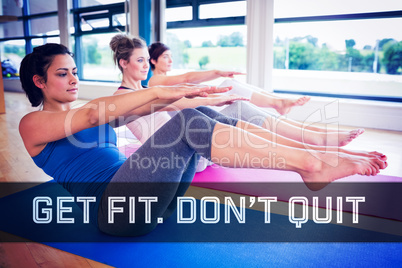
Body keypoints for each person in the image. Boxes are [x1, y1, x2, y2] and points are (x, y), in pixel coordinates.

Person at [19, 43, 386, 237]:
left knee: (199, 116)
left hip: (149, 200)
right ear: (39, 81)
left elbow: (159, 103)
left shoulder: (89, 108)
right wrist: (169, 91)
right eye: (63, 73)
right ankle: (312, 165)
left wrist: (206, 95)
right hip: (115, 212)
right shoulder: (32, 125)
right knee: (186, 124)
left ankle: (312, 154)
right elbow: (91, 114)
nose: (73, 79)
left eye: (76, 72)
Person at [113, 35, 368, 172]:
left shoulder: (147, 89)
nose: (146, 66)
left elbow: (179, 102)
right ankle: (315, 144)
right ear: (124, 63)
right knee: (235, 107)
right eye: (140, 61)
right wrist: (217, 97)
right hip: (183, 160)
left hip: (190, 148)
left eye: (147, 60)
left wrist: (217, 94)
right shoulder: (122, 97)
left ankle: (317, 141)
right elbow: (175, 106)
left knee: (240, 107)